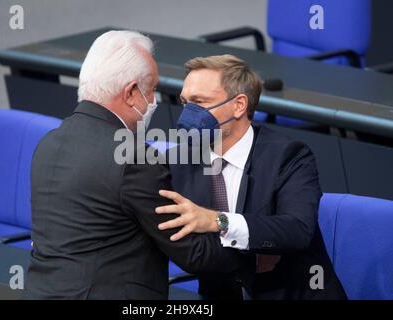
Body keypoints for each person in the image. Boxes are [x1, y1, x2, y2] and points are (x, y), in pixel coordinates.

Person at [24, 31, 246, 300]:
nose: (153, 101)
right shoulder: (134, 158)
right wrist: (251, 253)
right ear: (130, 92)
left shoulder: (49, 142)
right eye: (151, 90)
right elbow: (192, 253)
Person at [156, 54, 347, 300]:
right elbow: (178, 245)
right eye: (185, 103)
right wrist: (247, 260)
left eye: (199, 102)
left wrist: (217, 221)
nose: (188, 114)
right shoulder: (178, 161)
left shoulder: (288, 156)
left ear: (239, 105)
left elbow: (297, 230)